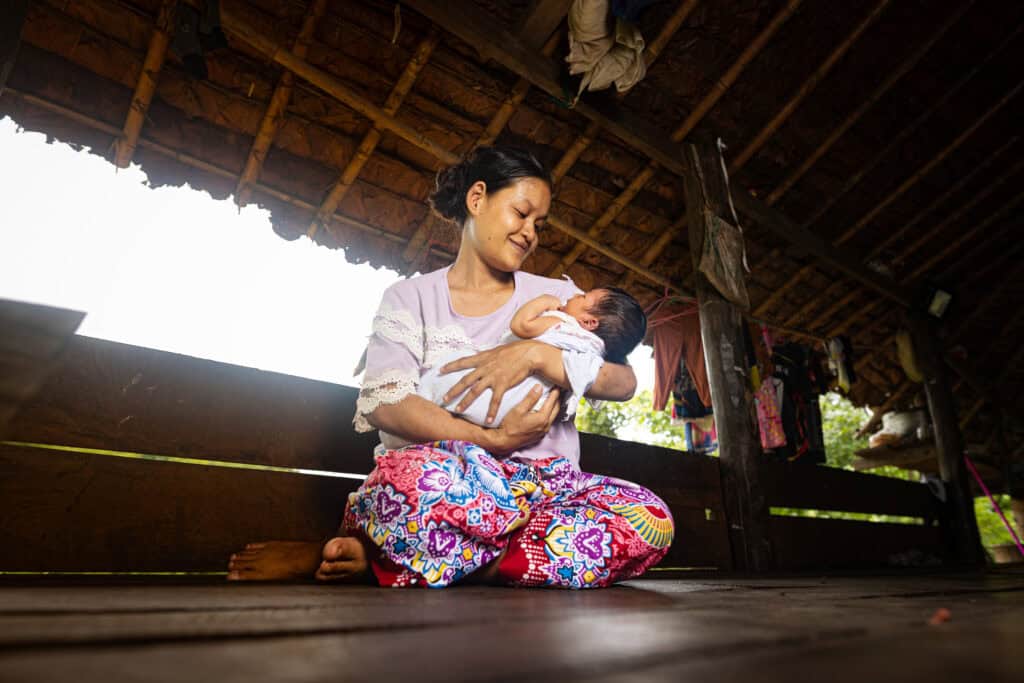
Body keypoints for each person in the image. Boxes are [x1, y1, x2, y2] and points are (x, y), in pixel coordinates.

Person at [227, 146, 674, 588]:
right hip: (459, 485)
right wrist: (492, 439)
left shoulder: (556, 296)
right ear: (477, 198)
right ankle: (504, 560)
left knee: (649, 517)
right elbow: (388, 405)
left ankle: (403, 562)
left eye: (539, 224)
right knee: (406, 481)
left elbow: (623, 380)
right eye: (521, 213)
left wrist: (536, 355)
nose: (530, 233)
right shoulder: (409, 298)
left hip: (545, 495)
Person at [418, 286, 647, 429]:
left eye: (583, 296)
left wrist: (543, 302)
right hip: (523, 411)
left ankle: (429, 399)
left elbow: (521, 325)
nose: (576, 294)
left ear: (588, 322)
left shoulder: (564, 324)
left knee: (449, 372)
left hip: (501, 396)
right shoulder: (594, 349)